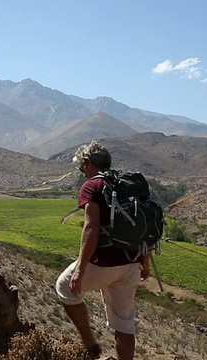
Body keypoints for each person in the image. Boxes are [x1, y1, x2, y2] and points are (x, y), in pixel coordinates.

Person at [55, 140, 151, 360]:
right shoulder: (127, 185)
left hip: (103, 263)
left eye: (81, 166)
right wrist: (144, 262)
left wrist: (80, 269)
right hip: (132, 263)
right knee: (125, 323)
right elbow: (145, 229)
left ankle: (90, 344)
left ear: (89, 163)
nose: (81, 172)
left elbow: (91, 228)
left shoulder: (93, 186)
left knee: (64, 287)